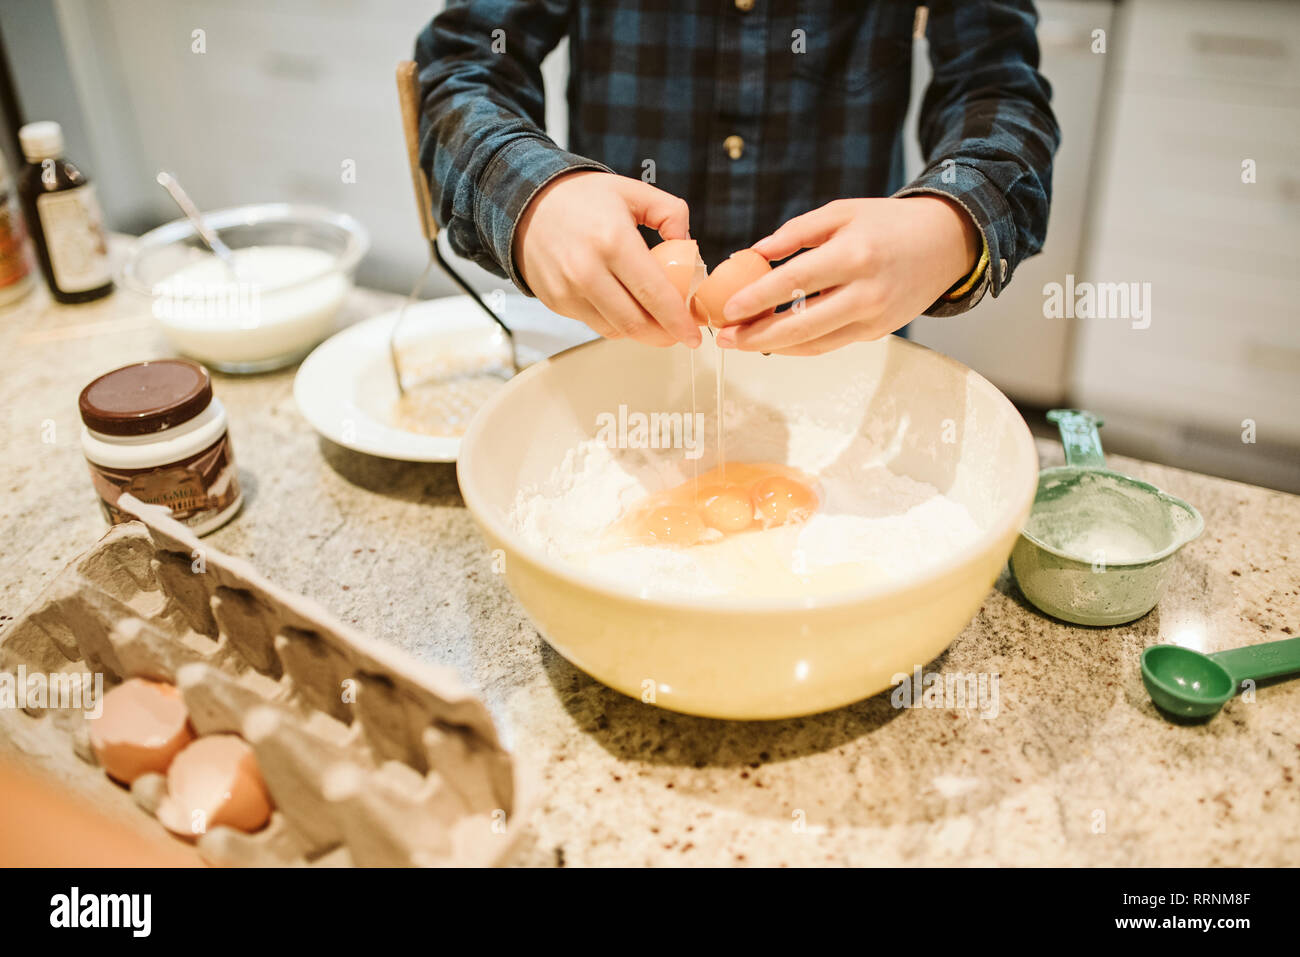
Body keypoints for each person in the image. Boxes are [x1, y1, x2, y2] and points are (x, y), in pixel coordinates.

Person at [415, 1, 1058, 355]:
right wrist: (533, 196)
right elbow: (469, 61)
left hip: (844, 357)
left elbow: (998, 84)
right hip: (616, 349)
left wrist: (952, 220)